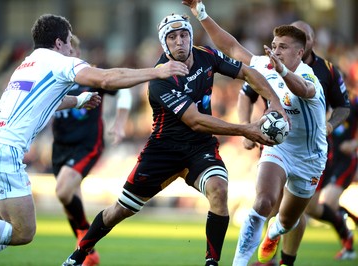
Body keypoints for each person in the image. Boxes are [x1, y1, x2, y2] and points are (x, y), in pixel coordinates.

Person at [0, 13, 189, 266]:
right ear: (59, 43)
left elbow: (47, 102)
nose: (72, 48)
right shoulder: (60, 62)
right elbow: (106, 78)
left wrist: (79, 100)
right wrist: (157, 72)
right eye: (69, 42)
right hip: (2, 151)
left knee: (2, 231)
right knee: (23, 232)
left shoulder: (28, 64)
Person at [62, 12, 287, 266]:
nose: (179, 41)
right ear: (164, 43)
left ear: (190, 37)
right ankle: (77, 256)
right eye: (172, 37)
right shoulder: (160, 79)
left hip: (199, 148)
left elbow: (247, 73)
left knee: (219, 189)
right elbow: (195, 121)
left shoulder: (207, 56)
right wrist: (246, 129)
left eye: (183, 35)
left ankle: (211, 262)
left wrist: (275, 102)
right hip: (162, 151)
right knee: (119, 211)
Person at [182, 1, 327, 265]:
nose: (276, 51)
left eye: (283, 47)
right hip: (279, 148)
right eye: (274, 46)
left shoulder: (310, 77)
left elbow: (301, 90)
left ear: (300, 52)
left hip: (310, 158)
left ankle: (273, 233)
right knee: (262, 202)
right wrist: (200, 13)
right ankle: (239, 263)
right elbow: (231, 47)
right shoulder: (265, 65)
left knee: (286, 221)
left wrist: (281, 69)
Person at [238, 21, 352, 265]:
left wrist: (330, 125)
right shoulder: (268, 63)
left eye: (308, 36)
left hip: (310, 150)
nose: (306, 39)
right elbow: (246, 94)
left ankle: (288, 259)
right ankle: (269, 257)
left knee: (300, 210)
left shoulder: (327, 70)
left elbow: (344, 106)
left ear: (308, 43)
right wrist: (246, 127)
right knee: (269, 202)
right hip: (277, 142)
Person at [52, 35, 132, 266]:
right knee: (69, 198)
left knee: (64, 190)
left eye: (66, 52)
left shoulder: (90, 74)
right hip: (60, 146)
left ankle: (84, 242)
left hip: (88, 144)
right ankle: (89, 253)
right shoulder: (55, 78)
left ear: (75, 53)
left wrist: (119, 122)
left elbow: (123, 91)